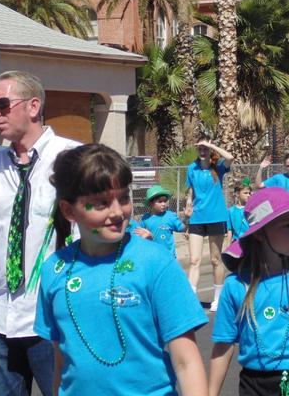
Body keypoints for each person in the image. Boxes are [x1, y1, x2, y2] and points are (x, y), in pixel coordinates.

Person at [35, 144, 209, 395]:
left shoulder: (156, 263)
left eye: (124, 198)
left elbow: (186, 361)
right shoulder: (54, 269)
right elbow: (60, 361)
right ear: (68, 210)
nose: (117, 212)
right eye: (102, 203)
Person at [0, 70, 80, 395]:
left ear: (33, 106)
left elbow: (92, 230)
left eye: (2, 104)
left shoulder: (72, 157)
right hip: (1, 318)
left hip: (54, 315)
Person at [209, 187, 289, 396]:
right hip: (252, 385)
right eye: (287, 225)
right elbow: (223, 347)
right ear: (260, 233)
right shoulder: (236, 286)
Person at [185, 137, 234, 312]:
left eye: (205, 148)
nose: (202, 151)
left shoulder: (218, 167)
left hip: (216, 216)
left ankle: (217, 298)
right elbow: (190, 193)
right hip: (197, 218)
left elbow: (230, 158)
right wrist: (187, 209)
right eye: (200, 148)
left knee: (215, 259)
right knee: (194, 260)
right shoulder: (191, 169)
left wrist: (212, 145)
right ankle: (190, 300)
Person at [140, 184, 185, 259]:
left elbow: (183, 229)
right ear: (151, 203)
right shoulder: (145, 218)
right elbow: (139, 236)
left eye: (165, 201)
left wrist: (187, 218)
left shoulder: (170, 216)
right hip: (152, 257)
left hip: (169, 257)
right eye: (160, 201)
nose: (164, 204)